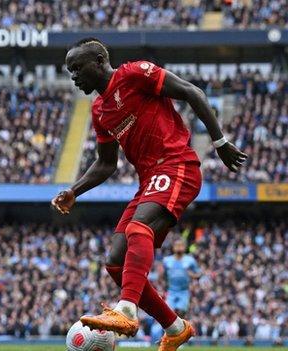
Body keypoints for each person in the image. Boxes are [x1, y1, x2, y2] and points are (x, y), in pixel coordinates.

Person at [51, 38, 247, 351]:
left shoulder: (132, 74)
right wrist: (75, 191)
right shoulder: (100, 110)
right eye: (69, 71)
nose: (73, 76)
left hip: (176, 165)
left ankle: (127, 311)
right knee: (115, 261)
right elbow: (105, 163)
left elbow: (190, 91)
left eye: (77, 68)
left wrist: (219, 142)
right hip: (150, 179)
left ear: (99, 61)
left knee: (137, 227)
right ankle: (176, 327)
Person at [162, 238, 200, 317]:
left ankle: (182, 328)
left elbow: (198, 274)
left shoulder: (190, 260)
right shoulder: (167, 260)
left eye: (181, 245)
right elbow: (164, 275)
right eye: (177, 245)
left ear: (185, 247)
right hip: (171, 291)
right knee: (168, 314)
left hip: (184, 291)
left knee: (182, 313)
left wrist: (192, 275)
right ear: (173, 247)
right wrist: (163, 287)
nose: (179, 247)